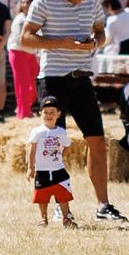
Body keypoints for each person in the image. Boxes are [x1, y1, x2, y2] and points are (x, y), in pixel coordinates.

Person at [22, 0, 127, 221]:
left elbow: (101, 32)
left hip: (82, 78)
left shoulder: (91, 0)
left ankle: (103, 205)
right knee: (52, 143)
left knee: (98, 143)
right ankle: (59, 205)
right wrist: (61, 42)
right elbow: (25, 38)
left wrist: (95, 42)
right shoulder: (44, 0)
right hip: (53, 79)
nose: (80, 1)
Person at [26, 96, 76, 228]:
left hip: (58, 170)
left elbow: (67, 146)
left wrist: (61, 156)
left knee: (63, 195)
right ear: (40, 114)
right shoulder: (37, 132)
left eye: (52, 112)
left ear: (58, 114)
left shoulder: (61, 132)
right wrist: (30, 167)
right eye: (45, 112)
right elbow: (31, 149)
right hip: (42, 170)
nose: (49, 115)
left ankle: (66, 217)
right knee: (42, 196)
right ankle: (43, 218)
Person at [7, 0, 37, 119]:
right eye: (23, 2)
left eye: (28, 2)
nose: (25, 4)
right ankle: (23, 113)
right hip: (18, 52)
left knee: (36, 83)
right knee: (23, 85)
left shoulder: (35, 18)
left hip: (30, 53)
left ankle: (23, 107)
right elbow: (22, 41)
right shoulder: (20, 19)